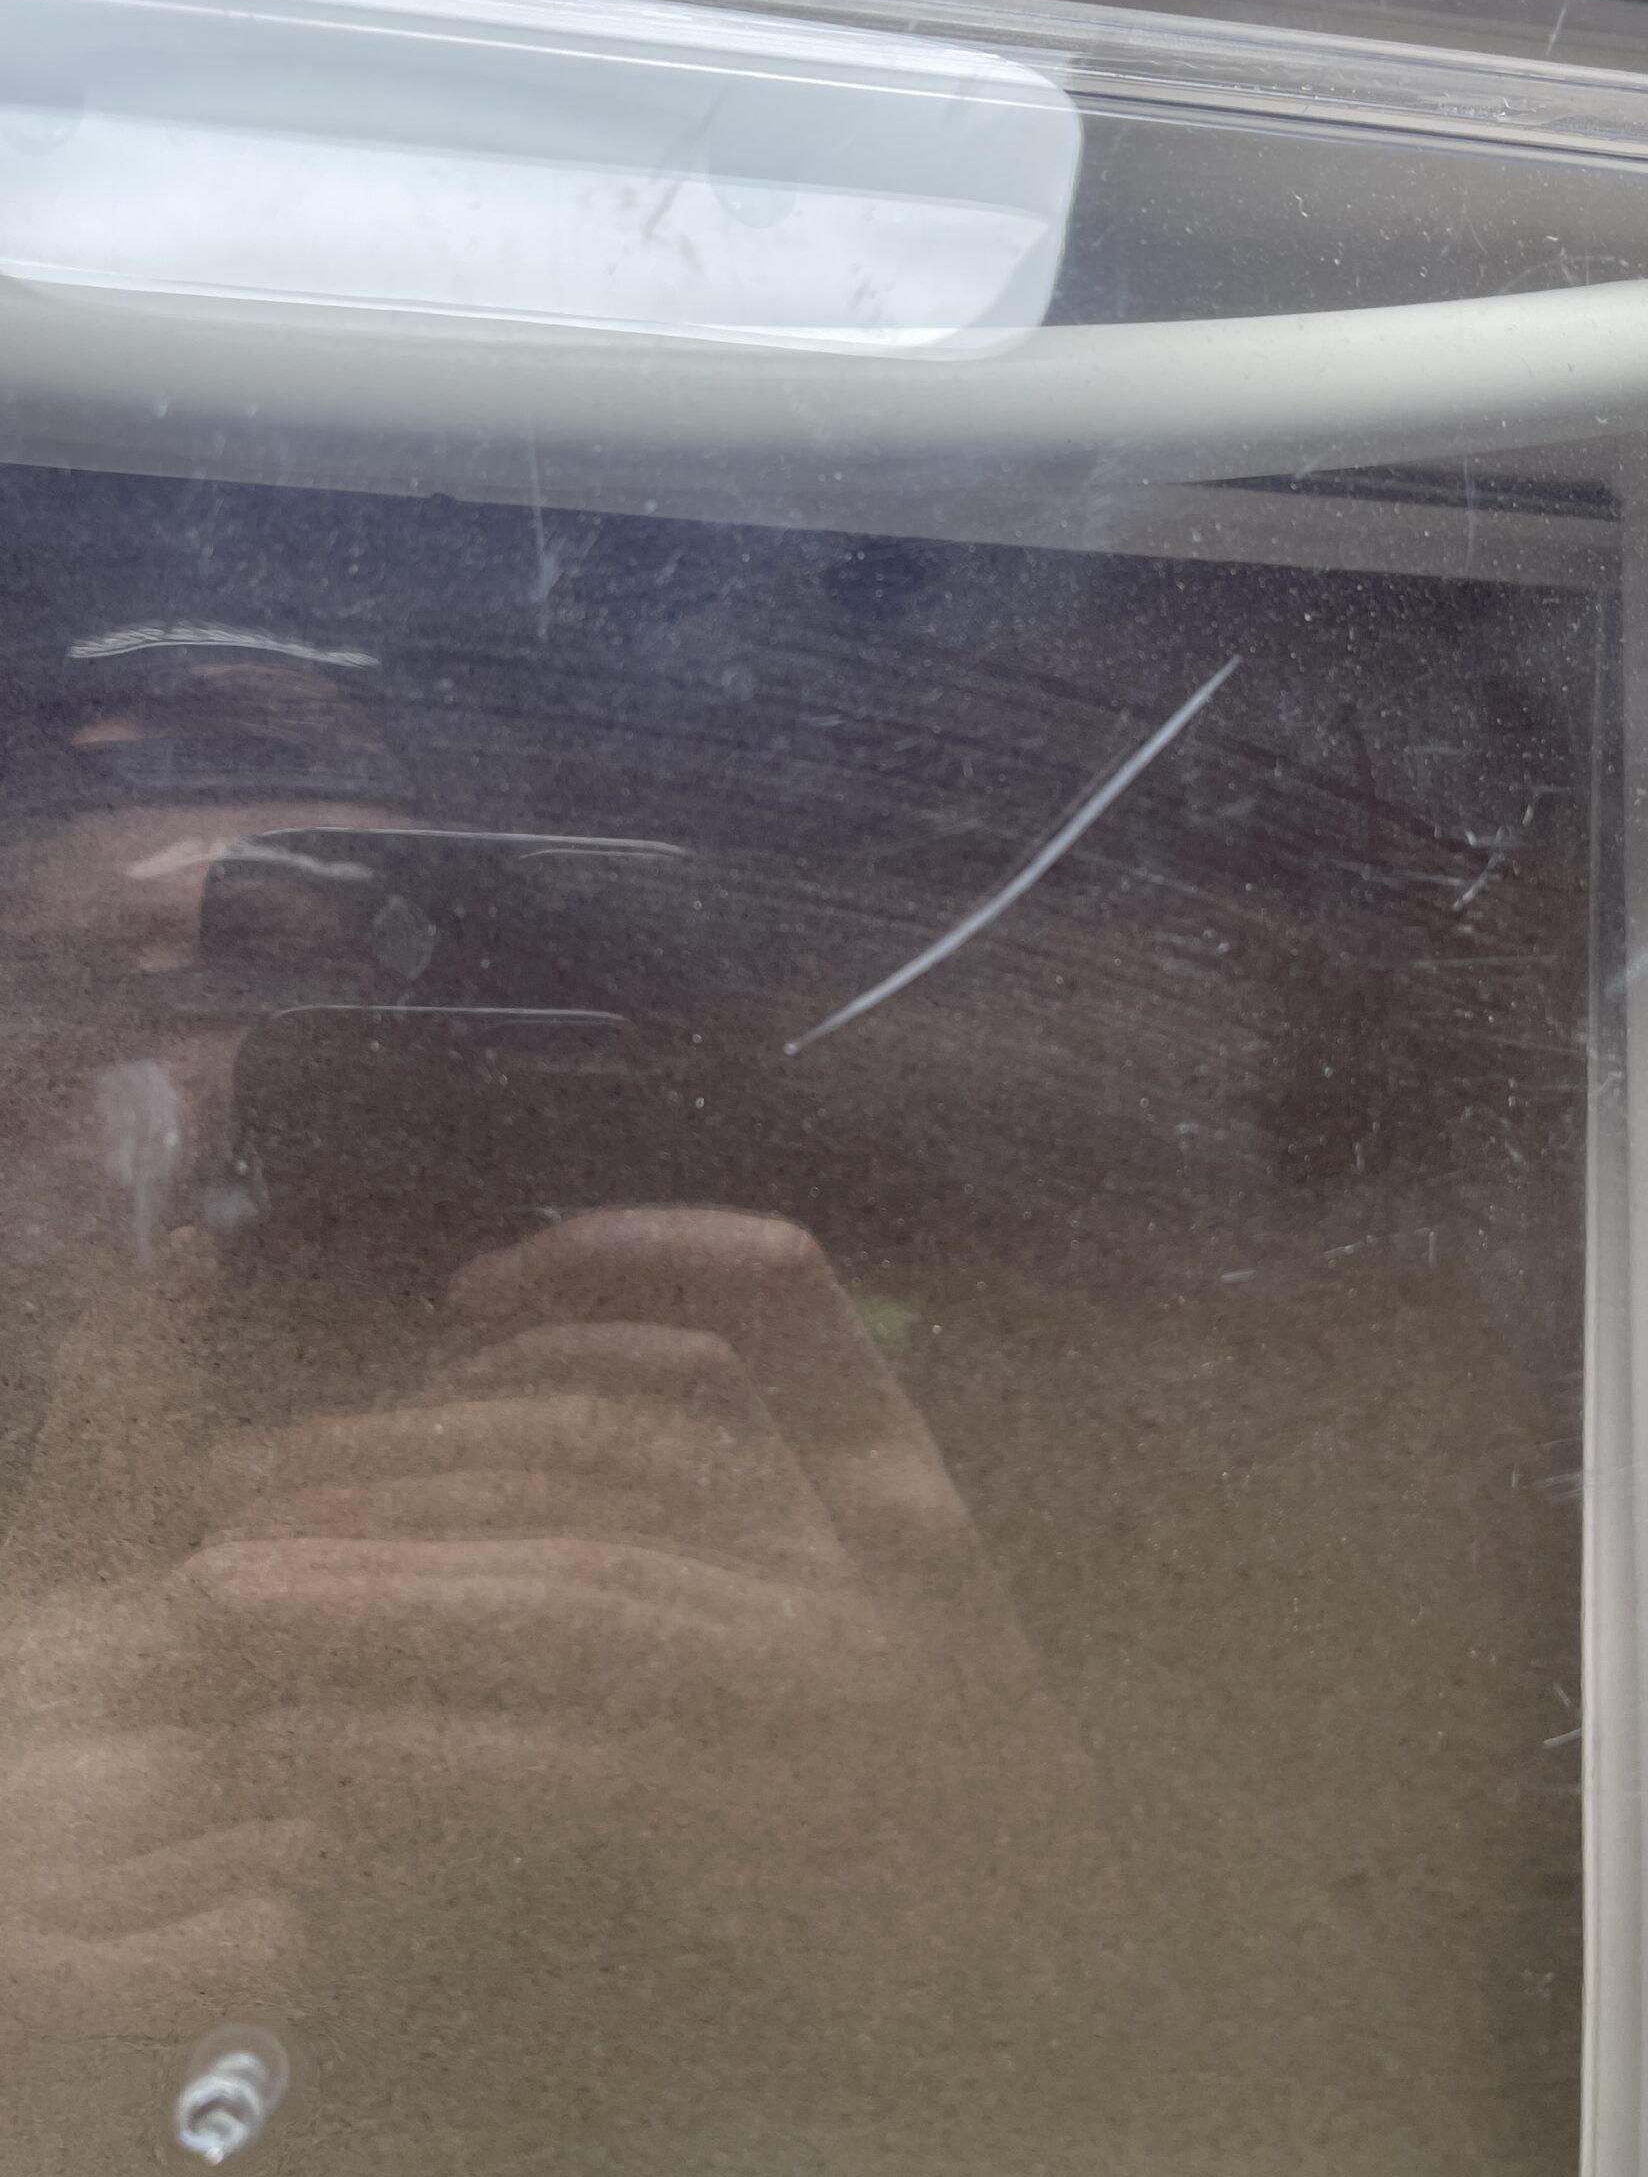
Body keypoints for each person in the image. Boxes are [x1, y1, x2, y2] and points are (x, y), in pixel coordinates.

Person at [0, 633, 1125, 2172]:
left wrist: (971, 1922)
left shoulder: (802, 1437)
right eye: (53, 995)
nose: (187, 1095)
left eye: (301, 981)